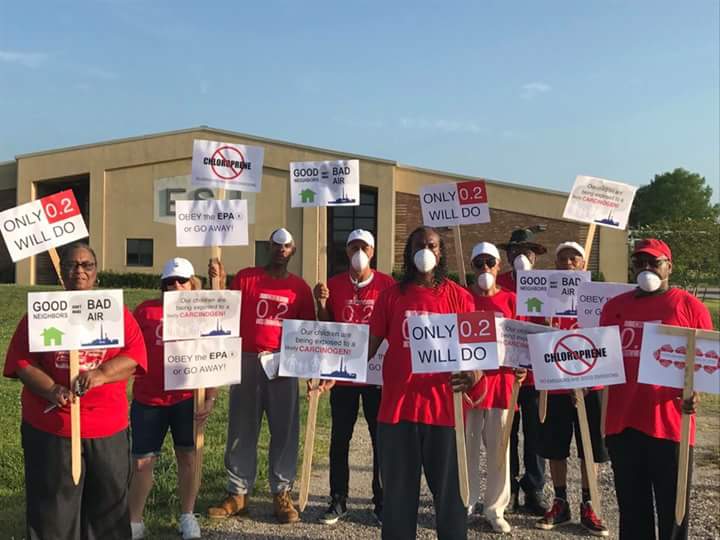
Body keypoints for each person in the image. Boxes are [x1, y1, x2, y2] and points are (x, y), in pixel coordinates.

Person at [3, 242, 148, 540]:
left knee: (108, 507)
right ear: (61, 272)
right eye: (71, 265)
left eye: (87, 265)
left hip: (106, 427)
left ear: (96, 273)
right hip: (52, 427)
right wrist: (51, 389)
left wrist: (101, 374)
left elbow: (134, 356)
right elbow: (21, 361)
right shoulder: (41, 314)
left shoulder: (115, 313)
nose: (79, 271)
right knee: (53, 511)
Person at [368, 226, 481, 540]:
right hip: (398, 410)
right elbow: (366, 348)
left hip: (445, 411)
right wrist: (323, 363)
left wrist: (474, 375)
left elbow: (477, 357)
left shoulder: (461, 298)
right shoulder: (390, 297)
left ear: (441, 252)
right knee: (398, 496)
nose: (425, 251)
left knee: (451, 497)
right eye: (419, 245)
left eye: (432, 245)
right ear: (409, 252)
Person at [599, 238, 713, 540]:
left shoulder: (690, 306)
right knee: (632, 509)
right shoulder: (614, 307)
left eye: (654, 262)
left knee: (673, 509)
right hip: (622, 423)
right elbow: (601, 358)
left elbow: (706, 363)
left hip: (670, 424)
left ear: (669, 267)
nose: (646, 268)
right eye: (640, 262)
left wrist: (696, 392)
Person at [207, 228, 315, 524]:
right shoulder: (247, 278)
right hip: (247, 359)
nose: (281, 250)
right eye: (277, 244)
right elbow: (224, 309)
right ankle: (238, 492)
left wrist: (310, 370)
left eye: (287, 246)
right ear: (269, 247)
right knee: (241, 428)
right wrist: (218, 282)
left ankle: (282, 492)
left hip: (284, 363)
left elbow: (309, 330)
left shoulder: (300, 288)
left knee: (285, 430)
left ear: (293, 250)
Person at [129, 258, 217, 540]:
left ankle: (187, 515)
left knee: (188, 457)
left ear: (193, 284)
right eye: (170, 282)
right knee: (142, 462)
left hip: (187, 398)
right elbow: (129, 349)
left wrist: (210, 397)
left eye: (182, 281)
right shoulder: (146, 311)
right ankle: (134, 521)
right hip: (149, 399)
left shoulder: (204, 315)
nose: (176, 286)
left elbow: (215, 355)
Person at [313, 230, 395, 525]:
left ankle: (382, 501)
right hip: (343, 375)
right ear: (346, 251)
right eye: (353, 247)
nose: (359, 252)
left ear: (372, 251)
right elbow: (328, 327)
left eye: (364, 247)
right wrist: (321, 304)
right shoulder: (333, 284)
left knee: (380, 439)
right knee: (340, 438)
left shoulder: (387, 285)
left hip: (376, 375)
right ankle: (338, 499)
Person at [535, 242, 608, 536]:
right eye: (562, 258)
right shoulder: (545, 297)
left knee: (591, 446)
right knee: (556, 446)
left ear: (583, 263)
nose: (567, 262)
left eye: (573, 258)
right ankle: (561, 501)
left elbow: (606, 337)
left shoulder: (597, 297)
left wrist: (590, 377)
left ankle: (589, 504)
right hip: (555, 384)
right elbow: (534, 336)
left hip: (591, 382)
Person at [464, 241, 526, 534]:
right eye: (479, 264)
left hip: (502, 384)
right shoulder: (463, 298)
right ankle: (465, 500)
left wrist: (522, 367)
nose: (485, 268)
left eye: (490, 262)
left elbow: (521, 339)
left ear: (499, 266)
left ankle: (495, 508)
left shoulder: (511, 299)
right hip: (470, 384)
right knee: (467, 446)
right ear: (472, 267)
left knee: (500, 449)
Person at [497, 228, 548, 515]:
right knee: (506, 434)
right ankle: (509, 487)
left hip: (536, 375)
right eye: (515, 251)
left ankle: (534, 488)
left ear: (535, 257)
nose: (521, 256)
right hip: (506, 374)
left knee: (536, 434)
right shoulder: (498, 283)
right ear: (508, 255)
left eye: (527, 251)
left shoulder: (547, 285)